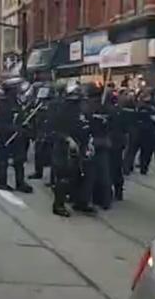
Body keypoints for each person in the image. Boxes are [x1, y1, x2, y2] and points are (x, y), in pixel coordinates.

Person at [51, 84, 95, 216]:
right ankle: (58, 205)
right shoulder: (61, 111)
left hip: (81, 146)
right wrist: (68, 139)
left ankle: (80, 202)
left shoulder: (83, 110)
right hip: (65, 148)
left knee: (81, 176)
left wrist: (90, 141)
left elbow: (87, 126)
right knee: (64, 177)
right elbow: (55, 130)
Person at [0, 77, 33, 193]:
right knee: (3, 161)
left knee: (19, 160)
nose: (19, 90)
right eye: (17, 88)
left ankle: (20, 183)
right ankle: (2, 182)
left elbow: (20, 117)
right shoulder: (1, 102)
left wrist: (25, 127)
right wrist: (14, 129)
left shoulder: (17, 100)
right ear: (11, 89)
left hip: (18, 136)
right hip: (5, 137)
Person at [82, 82, 112, 209]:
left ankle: (87, 200)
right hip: (104, 142)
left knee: (89, 174)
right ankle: (105, 200)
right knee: (104, 172)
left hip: (90, 142)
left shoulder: (85, 106)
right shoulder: (106, 105)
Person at [28, 83, 54, 182]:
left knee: (51, 155)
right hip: (40, 131)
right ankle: (38, 172)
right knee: (38, 152)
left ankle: (52, 179)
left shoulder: (52, 104)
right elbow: (34, 118)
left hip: (49, 132)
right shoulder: (37, 103)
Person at [106, 84, 128, 201]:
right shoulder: (120, 110)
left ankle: (108, 192)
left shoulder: (106, 111)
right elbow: (125, 127)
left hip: (109, 142)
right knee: (117, 167)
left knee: (107, 168)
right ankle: (119, 191)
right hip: (119, 142)